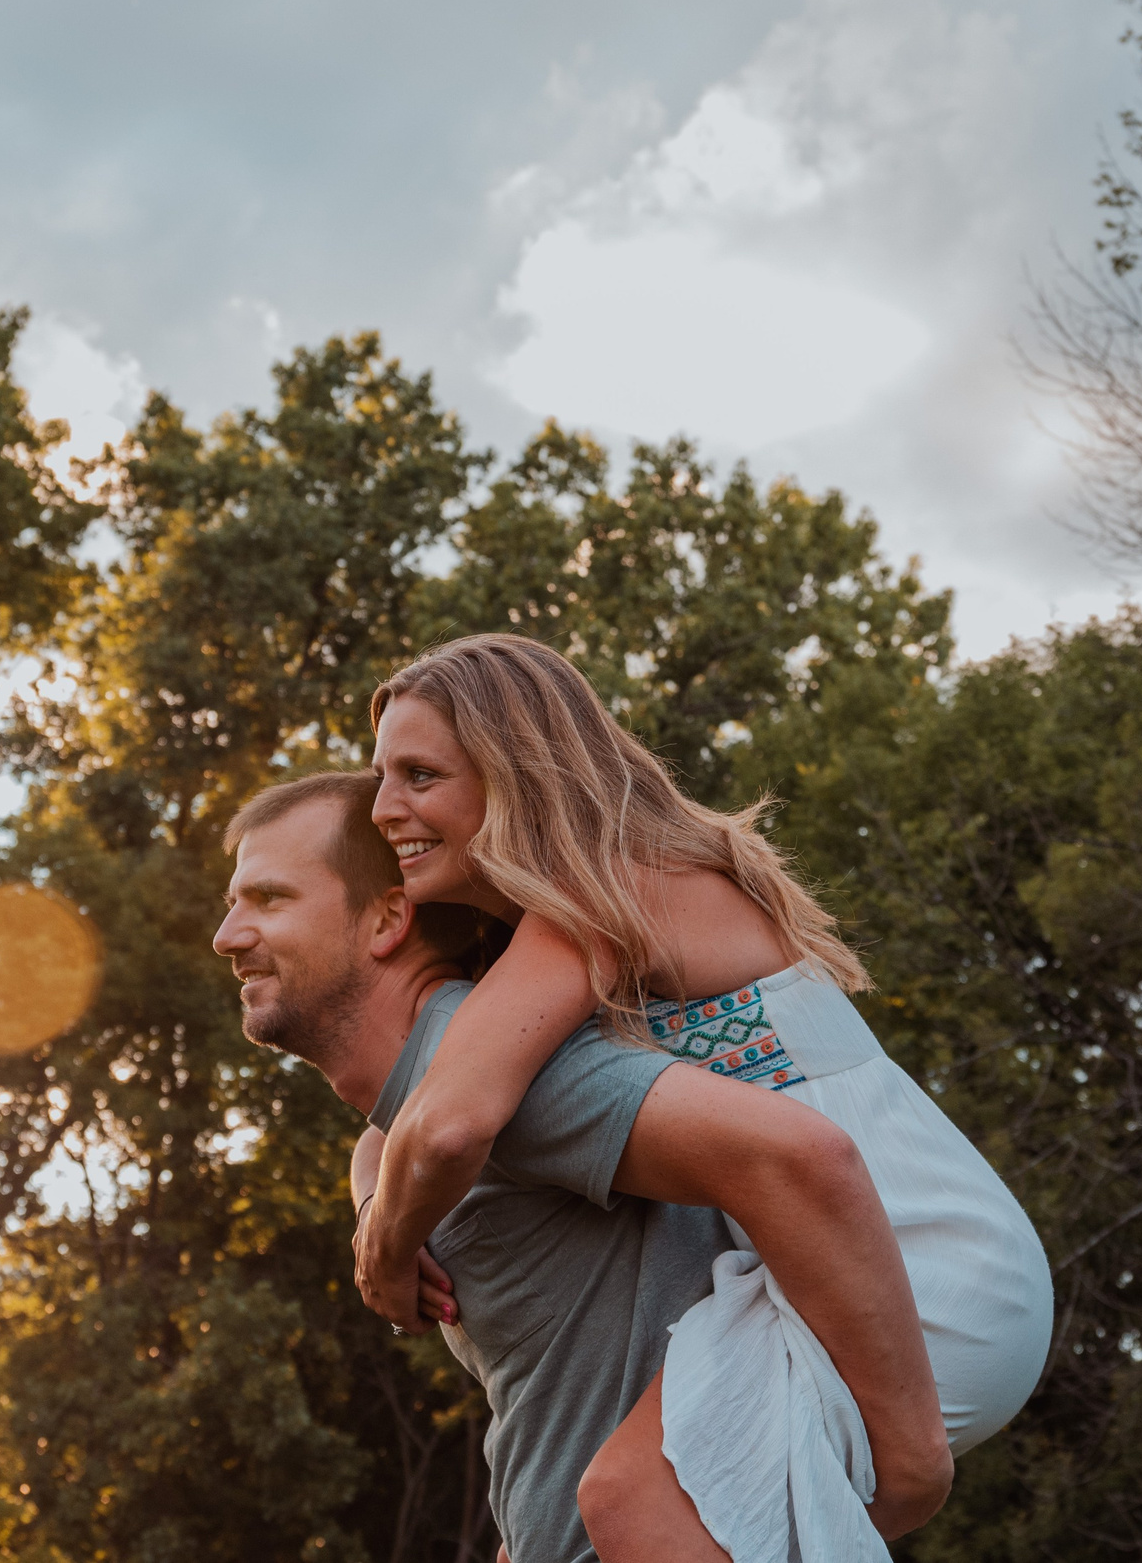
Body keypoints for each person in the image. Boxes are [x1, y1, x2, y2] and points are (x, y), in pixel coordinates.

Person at [356, 634, 1054, 1563]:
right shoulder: (582, 915)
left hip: (913, 1265)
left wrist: (385, 1249)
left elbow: (446, 1123)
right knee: (585, 1524)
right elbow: (404, 1119)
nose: (382, 808)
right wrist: (376, 1193)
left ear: (513, 772)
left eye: (418, 775)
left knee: (633, 1498)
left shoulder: (602, 895)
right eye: (379, 776)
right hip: (838, 1264)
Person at [209, 771, 952, 1563]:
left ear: (389, 917)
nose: (226, 934)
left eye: (268, 899)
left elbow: (798, 1155)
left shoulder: (514, 1079)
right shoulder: (421, 1120)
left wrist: (910, 1462)